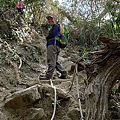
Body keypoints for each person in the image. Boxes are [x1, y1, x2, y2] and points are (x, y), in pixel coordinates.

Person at [40, 13, 67, 80]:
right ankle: (63, 73)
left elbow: (52, 34)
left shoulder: (55, 26)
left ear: (54, 19)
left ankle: (48, 76)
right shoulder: (56, 27)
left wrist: (47, 37)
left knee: (51, 61)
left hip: (53, 45)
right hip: (56, 46)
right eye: (48, 19)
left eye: (51, 18)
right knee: (55, 61)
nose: (50, 20)